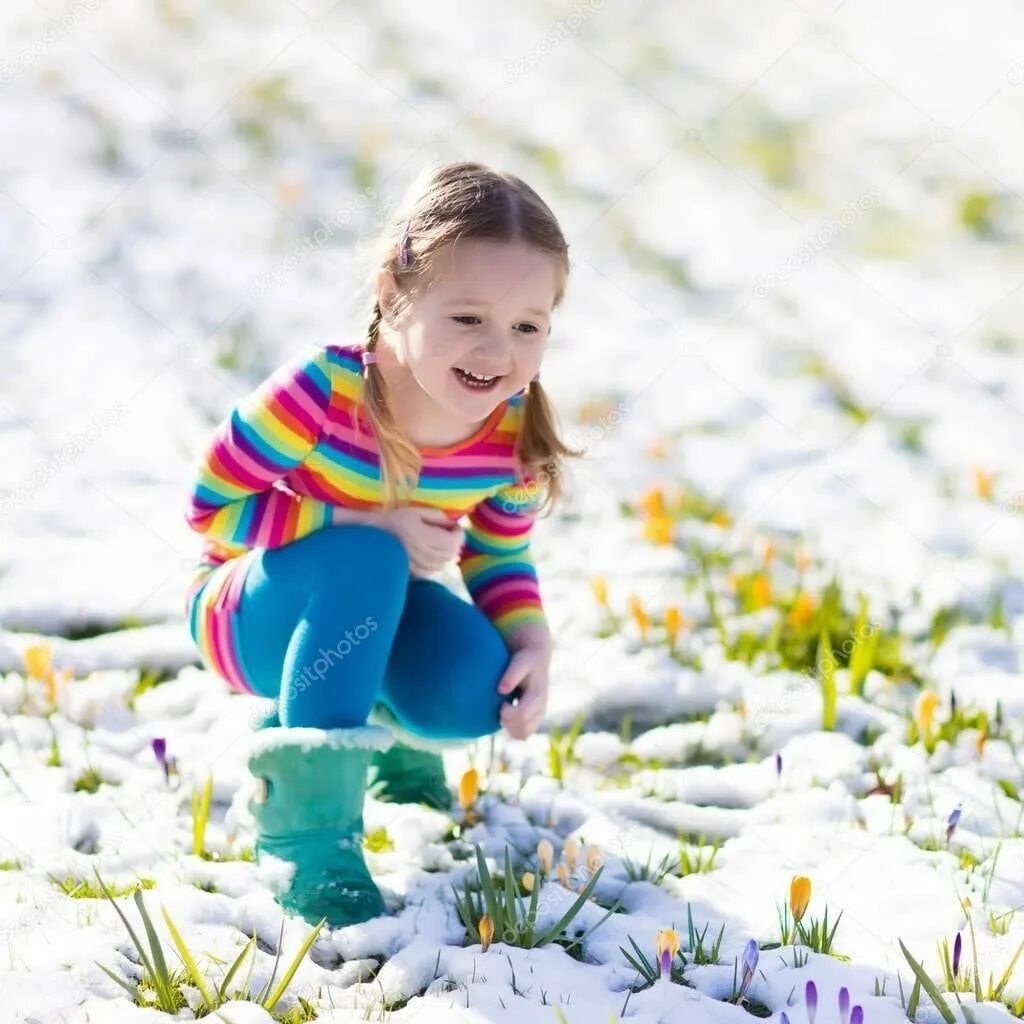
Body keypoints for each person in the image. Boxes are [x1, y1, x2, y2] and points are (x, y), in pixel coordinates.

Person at [181, 160, 582, 928]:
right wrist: (359, 524)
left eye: (527, 327)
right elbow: (212, 508)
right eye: (468, 318)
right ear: (395, 294)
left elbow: (497, 553)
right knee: (370, 558)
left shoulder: (509, 427)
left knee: (475, 687)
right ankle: (307, 831)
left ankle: (383, 741)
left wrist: (532, 641)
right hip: (249, 613)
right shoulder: (321, 394)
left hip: (373, 613)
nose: (497, 353)